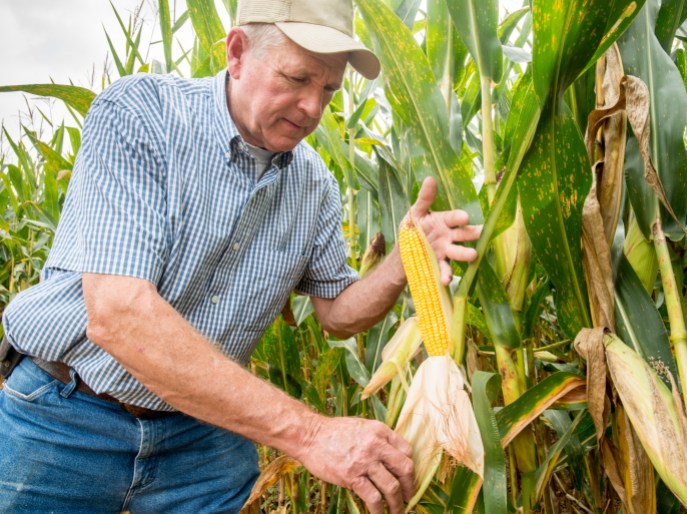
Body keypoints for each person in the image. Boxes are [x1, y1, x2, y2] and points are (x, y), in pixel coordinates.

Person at [0, 0, 481, 512]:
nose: (314, 108)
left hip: (205, 436)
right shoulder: (142, 115)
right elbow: (119, 316)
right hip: (65, 417)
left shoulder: (314, 183)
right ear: (236, 52)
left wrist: (405, 262)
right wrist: (312, 435)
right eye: (297, 78)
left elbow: (338, 316)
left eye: (329, 90)